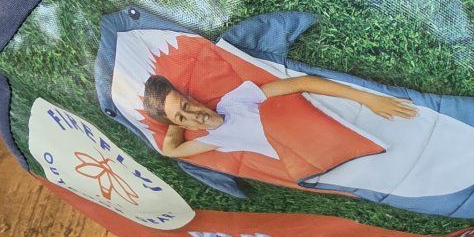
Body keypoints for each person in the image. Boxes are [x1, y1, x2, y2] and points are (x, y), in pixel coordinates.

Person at [142, 72, 417, 160]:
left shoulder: (234, 101)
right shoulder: (214, 140)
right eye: (183, 118)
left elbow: (302, 82)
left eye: (187, 104)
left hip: (336, 126)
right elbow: (170, 150)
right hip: (327, 161)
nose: (194, 115)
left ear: (191, 96)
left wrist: (368, 99)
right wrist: (173, 119)